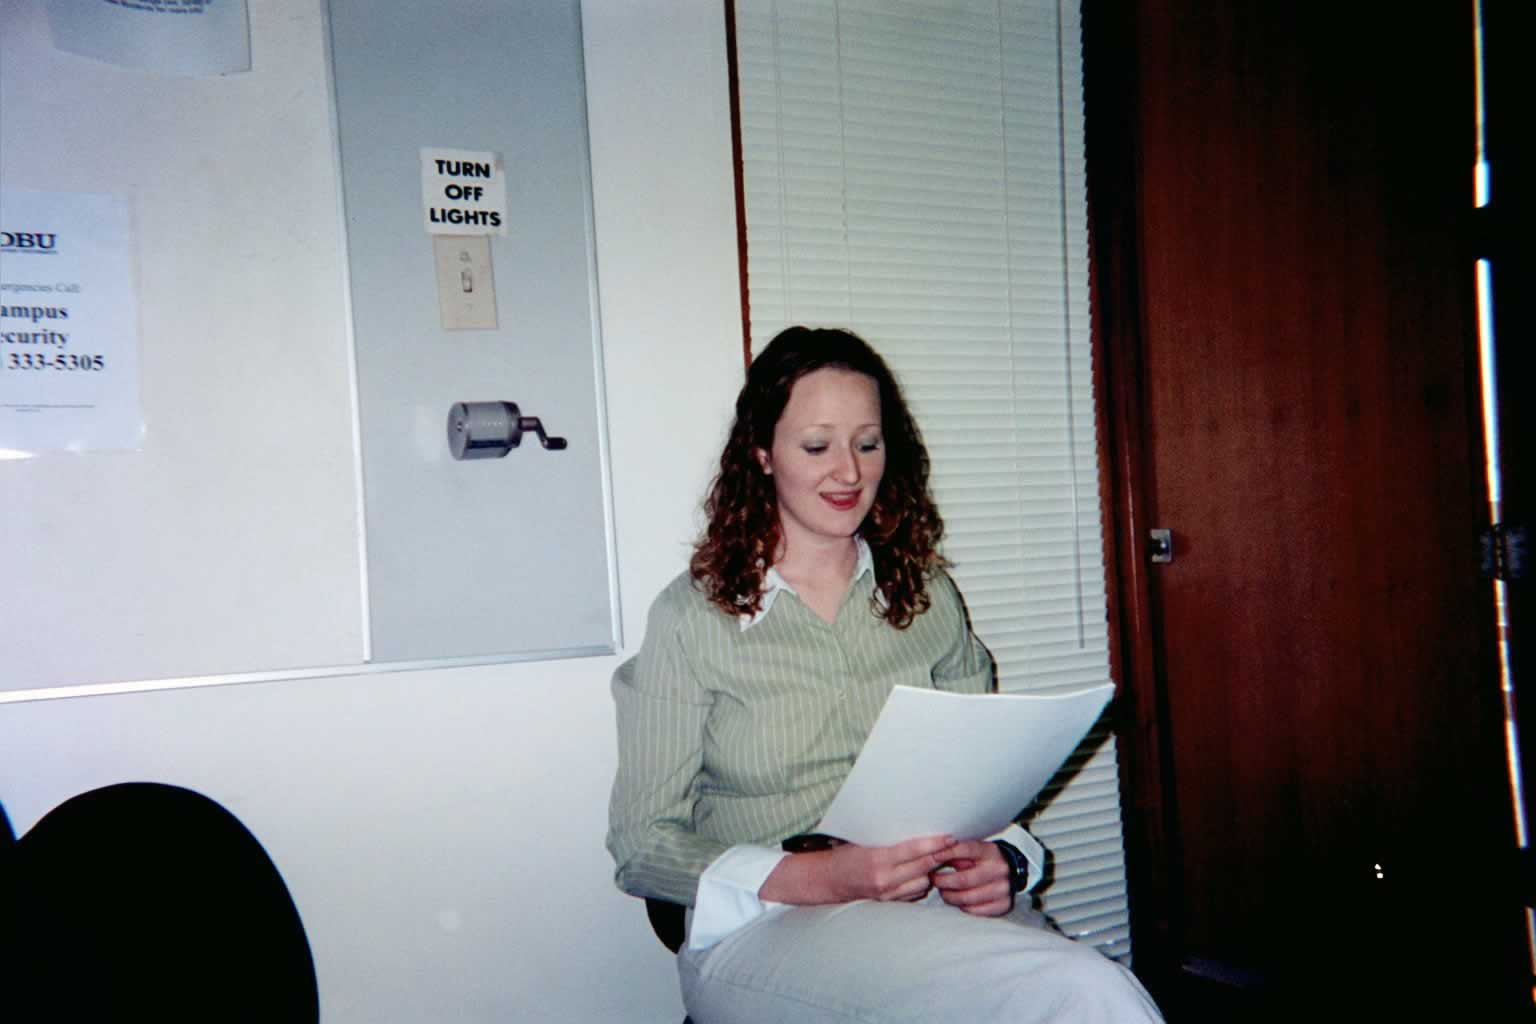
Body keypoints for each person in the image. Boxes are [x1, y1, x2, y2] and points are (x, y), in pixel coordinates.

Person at [607, 326, 1163, 1022]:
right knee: (1073, 995)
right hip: (770, 925)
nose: (848, 472)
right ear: (761, 454)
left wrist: (1006, 859)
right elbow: (640, 847)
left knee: (1095, 991)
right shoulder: (692, 618)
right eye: (817, 446)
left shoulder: (925, 596)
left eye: (867, 444)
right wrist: (815, 876)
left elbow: (986, 784)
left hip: (929, 904)